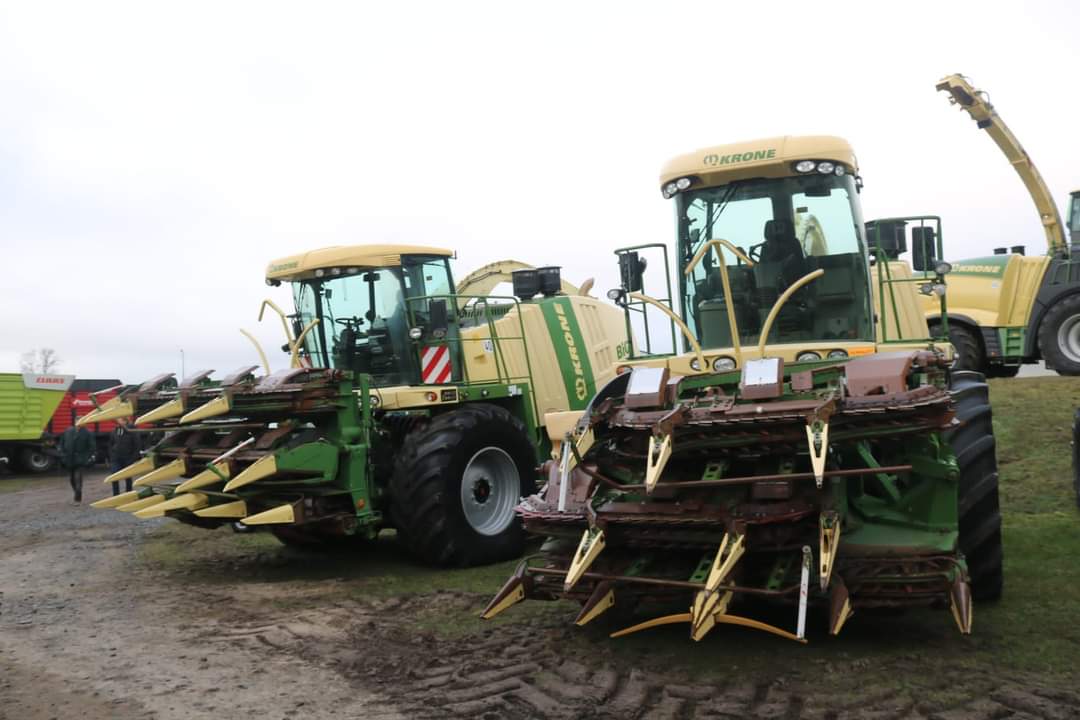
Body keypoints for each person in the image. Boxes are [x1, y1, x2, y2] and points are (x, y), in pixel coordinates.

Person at [58, 424, 94, 503]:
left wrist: (87, 457)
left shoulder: (88, 433)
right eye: (77, 421)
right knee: (72, 479)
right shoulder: (68, 431)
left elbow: (92, 447)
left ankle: (77, 498)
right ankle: (77, 492)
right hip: (69, 459)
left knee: (78, 479)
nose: (79, 423)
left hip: (80, 460)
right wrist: (62, 454)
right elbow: (62, 443)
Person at [107, 418, 141, 495]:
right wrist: (111, 456)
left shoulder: (132, 431)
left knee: (128, 477)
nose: (118, 421)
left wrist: (132, 459)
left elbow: (137, 445)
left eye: (120, 420)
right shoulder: (114, 431)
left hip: (127, 458)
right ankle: (116, 495)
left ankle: (128, 494)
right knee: (114, 476)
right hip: (116, 459)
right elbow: (110, 444)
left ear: (125, 421)